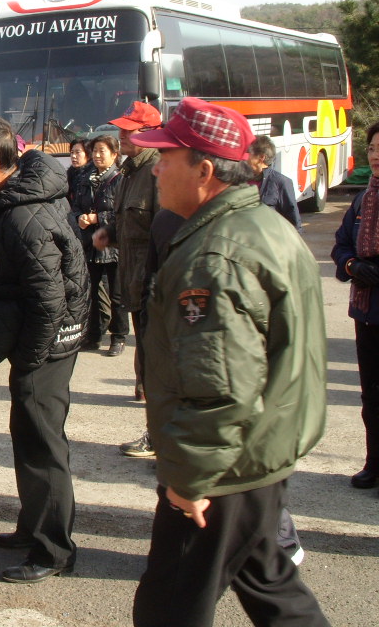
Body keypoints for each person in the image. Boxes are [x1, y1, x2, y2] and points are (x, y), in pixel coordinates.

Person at [129, 97, 329, 627]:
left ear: (205, 171)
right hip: (260, 450)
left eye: (165, 157)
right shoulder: (261, 225)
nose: (155, 170)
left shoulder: (214, 256)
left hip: (226, 467)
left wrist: (190, 478)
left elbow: (220, 386)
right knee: (272, 587)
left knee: (168, 609)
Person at [0, 115, 88, 585]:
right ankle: (32, 527)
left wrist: (31, 359)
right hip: (35, 338)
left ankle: (54, 549)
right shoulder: (8, 197)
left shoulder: (21, 215)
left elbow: (50, 300)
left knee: (42, 443)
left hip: (47, 343)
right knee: (26, 433)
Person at [92, 101, 161, 455]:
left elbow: (166, 232)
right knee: (148, 361)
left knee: (158, 364)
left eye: (128, 130)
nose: (121, 136)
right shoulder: (130, 172)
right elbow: (130, 226)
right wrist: (110, 233)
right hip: (134, 281)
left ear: (148, 134)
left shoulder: (158, 172)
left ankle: (160, 436)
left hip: (155, 286)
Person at [332, 120, 379, 493]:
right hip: (366, 312)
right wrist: (352, 265)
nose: (376, 156)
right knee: (371, 395)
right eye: (373, 149)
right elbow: (340, 244)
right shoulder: (362, 199)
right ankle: (373, 462)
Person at [76, 135, 127, 356]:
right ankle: (94, 335)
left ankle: (119, 337)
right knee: (91, 293)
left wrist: (99, 219)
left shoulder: (120, 180)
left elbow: (123, 214)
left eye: (102, 151)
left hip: (113, 245)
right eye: (95, 151)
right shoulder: (85, 179)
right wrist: (79, 218)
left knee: (117, 295)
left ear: (114, 155)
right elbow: (76, 206)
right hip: (91, 243)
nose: (97, 155)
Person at [248, 135, 303, 232]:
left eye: (249, 153)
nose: (245, 157)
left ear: (261, 157)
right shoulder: (240, 181)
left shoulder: (280, 182)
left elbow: (294, 224)